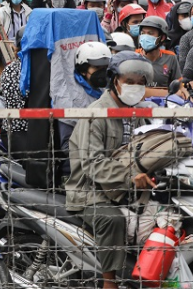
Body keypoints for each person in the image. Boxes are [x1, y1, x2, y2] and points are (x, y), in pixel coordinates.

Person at [66, 51, 154, 289]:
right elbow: (92, 164)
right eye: (129, 82)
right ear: (114, 81)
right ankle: (109, 282)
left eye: (140, 83)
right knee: (112, 220)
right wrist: (130, 178)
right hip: (90, 191)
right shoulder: (96, 114)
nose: (135, 87)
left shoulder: (138, 114)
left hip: (123, 188)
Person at [135, 16, 181, 91]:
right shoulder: (133, 57)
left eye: (150, 33)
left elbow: (179, 85)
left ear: (162, 38)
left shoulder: (170, 57)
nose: (145, 37)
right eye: (143, 33)